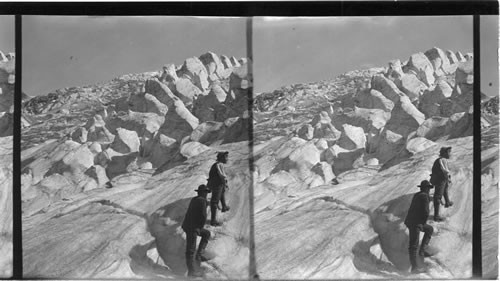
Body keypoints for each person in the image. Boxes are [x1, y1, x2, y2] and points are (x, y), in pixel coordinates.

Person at [404, 180, 435, 273]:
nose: (429, 190)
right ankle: (414, 268)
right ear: (426, 189)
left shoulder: (418, 195)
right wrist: (422, 223)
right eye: (428, 188)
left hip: (412, 221)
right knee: (413, 245)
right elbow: (426, 212)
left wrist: (432, 198)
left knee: (429, 229)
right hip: (415, 223)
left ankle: (422, 251)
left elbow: (426, 198)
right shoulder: (424, 196)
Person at [181, 184, 211, 277]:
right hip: (192, 228)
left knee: (206, 233)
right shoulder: (202, 201)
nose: (206, 194)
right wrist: (199, 227)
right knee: (191, 249)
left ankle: (199, 255)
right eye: (205, 192)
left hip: (188, 225)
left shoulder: (194, 199)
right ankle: (191, 271)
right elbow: (203, 216)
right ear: (203, 193)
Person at [430, 146, 453, 222]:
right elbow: (444, 171)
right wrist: (447, 178)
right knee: (438, 196)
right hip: (440, 179)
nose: (450, 154)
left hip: (442, 179)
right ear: (444, 153)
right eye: (449, 152)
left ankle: (447, 202)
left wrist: (447, 178)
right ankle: (436, 216)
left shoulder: (442, 160)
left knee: (445, 189)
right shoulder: (441, 160)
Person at [207, 151, 230, 226]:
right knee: (214, 201)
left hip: (217, 183)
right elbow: (222, 175)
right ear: (221, 158)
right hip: (217, 184)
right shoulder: (218, 165)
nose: (227, 159)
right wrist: (225, 183)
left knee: (222, 192)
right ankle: (213, 221)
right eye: (226, 157)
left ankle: (224, 206)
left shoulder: (219, 164)